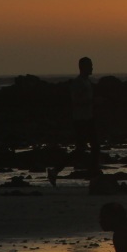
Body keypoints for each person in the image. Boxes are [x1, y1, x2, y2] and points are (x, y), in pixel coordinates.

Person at [48, 57, 101, 186]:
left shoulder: (87, 81)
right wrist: (92, 102)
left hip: (88, 118)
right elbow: (76, 101)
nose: (92, 68)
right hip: (81, 120)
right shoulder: (78, 83)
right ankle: (56, 170)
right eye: (90, 66)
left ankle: (94, 175)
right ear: (83, 67)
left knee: (94, 147)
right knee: (82, 149)